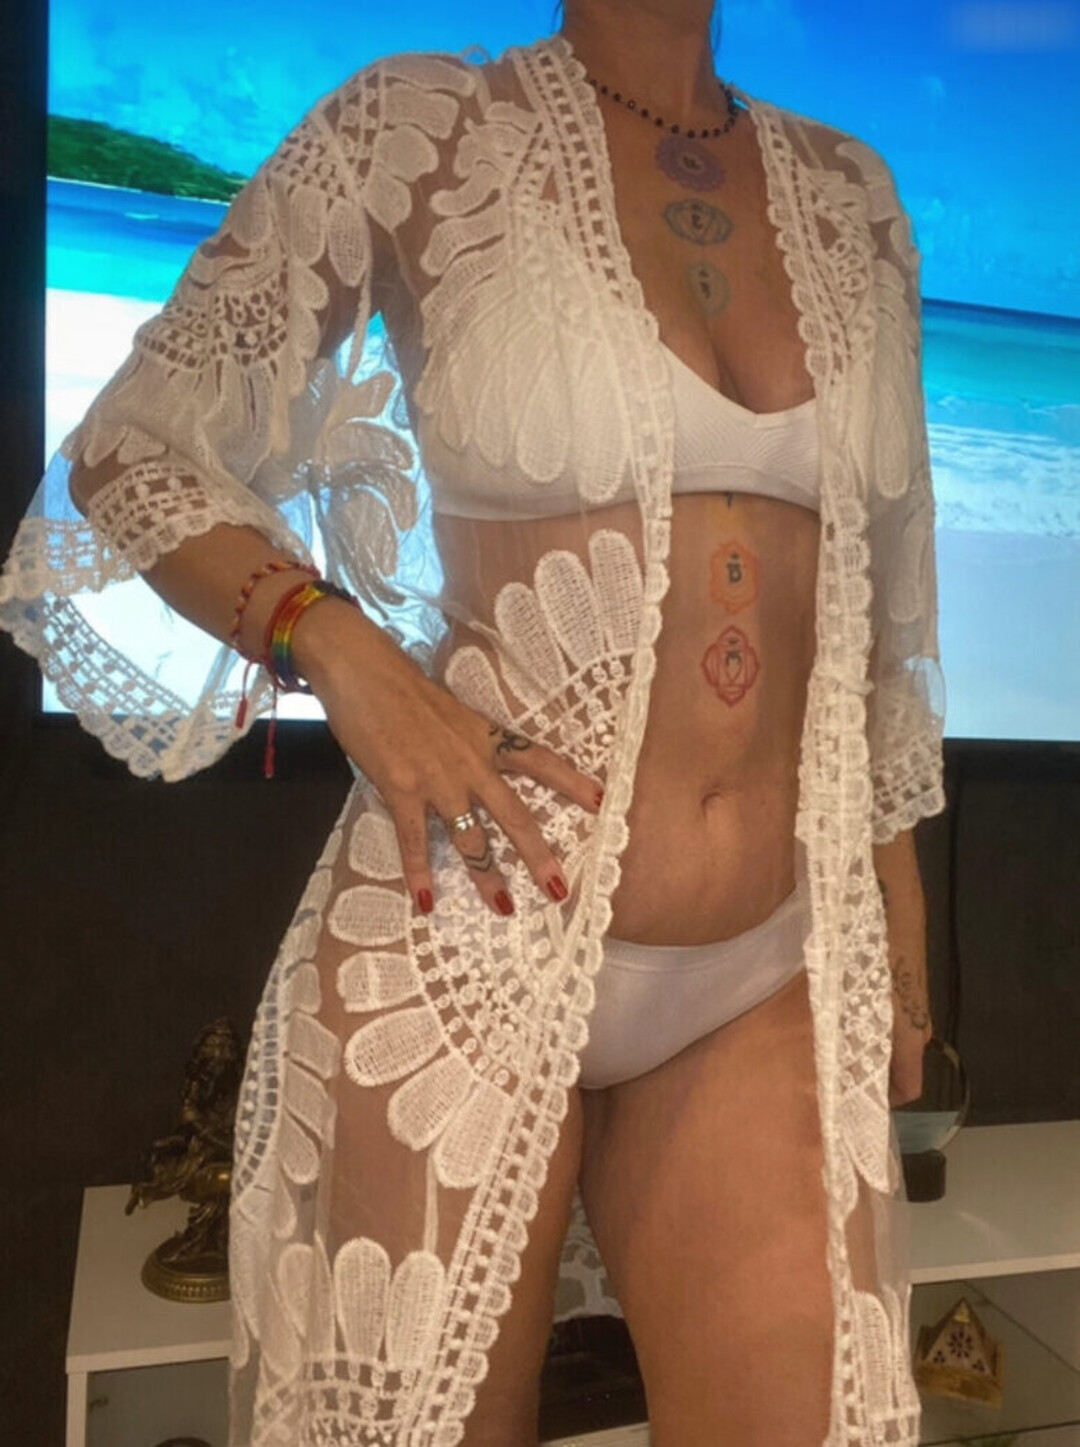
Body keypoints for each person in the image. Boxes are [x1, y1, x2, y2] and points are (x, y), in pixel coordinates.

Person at [0, 0, 946, 1442]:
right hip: (465, 937)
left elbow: (887, 611)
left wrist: (900, 923)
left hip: (771, 963)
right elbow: (136, 446)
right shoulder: (417, 128)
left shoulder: (852, 195)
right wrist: (343, 652)